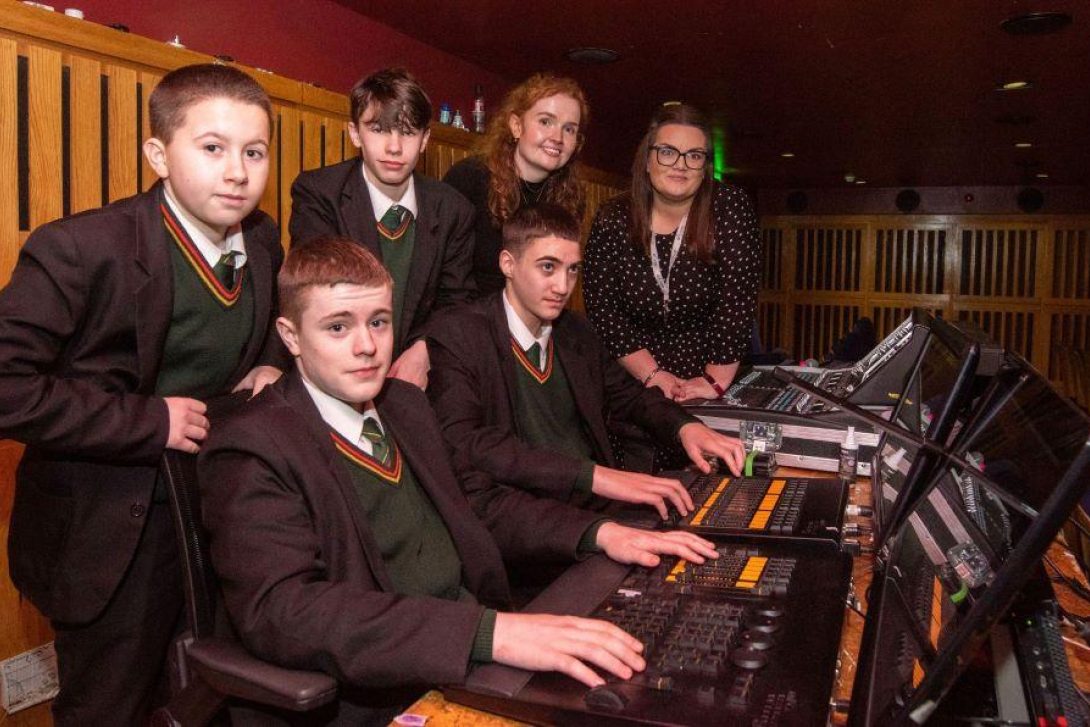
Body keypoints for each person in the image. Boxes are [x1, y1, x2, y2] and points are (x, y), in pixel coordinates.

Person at [198, 237, 720, 724]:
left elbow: (482, 503)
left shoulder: (404, 404)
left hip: (471, 652)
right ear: (290, 336)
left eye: (379, 322)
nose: (366, 346)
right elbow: (285, 610)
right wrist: (489, 634)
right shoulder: (252, 443)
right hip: (378, 695)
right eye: (338, 327)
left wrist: (602, 535)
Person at [0, 64, 286, 725]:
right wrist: (145, 419)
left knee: (204, 695)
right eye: (212, 147)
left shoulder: (264, 238)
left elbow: (276, 318)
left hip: (215, 509)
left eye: (254, 151)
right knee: (111, 704)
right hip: (110, 527)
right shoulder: (81, 248)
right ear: (158, 153)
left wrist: (272, 362)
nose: (238, 171)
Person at [428, 204, 746, 522]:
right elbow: (468, 443)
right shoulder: (459, 334)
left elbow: (631, 397)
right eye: (548, 267)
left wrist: (683, 426)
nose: (563, 287)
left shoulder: (576, 331)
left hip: (595, 507)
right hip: (526, 521)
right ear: (508, 264)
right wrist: (594, 476)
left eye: (572, 270)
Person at [289, 67, 475, 390]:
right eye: (378, 129)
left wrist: (425, 349)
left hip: (419, 377)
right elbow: (313, 297)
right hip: (334, 372)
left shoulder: (453, 210)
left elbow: (457, 303)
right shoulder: (319, 193)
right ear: (355, 133)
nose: (394, 146)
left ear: (426, 139)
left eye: (407, 132)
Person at [582, 102, 761, 402]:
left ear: (705, 167)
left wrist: (713, 383)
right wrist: (652, 375)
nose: (680, 164)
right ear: (648, 160)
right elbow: (603, 308)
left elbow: (736, 303)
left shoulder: (731, 209)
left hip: (710, 380)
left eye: (694, 156)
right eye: (667, 152)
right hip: (631, 381)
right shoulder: (612, 217)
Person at [444, 73, 588, 296]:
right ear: (516, 126)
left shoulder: (570, 196)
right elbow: (447, 280)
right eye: (545, 121)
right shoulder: (469, 178)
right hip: (469, 318)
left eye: (569, 129)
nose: (557, 137)